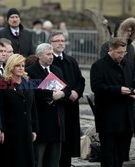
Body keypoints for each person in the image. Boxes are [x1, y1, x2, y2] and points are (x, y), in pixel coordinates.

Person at [90, 37, 135, 167]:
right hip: (108, 118)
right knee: (108, 155)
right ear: (111, 49)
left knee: (121, 155)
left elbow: (133, 82)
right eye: (119, 52)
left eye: (124, 52)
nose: (122, 55)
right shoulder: (98, 66)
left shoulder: (128, 64)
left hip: (126, 117)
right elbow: (96, 87)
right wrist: (118, 90)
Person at [26, 43, 71, 167]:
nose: (52, 57)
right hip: (41, 121)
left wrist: (61, 94)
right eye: (48, 54)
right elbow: (33, 91)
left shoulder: (57, 70)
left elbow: (67, 89)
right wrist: (51, 95)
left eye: (52, 54)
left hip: (57, 122)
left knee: (54, 161)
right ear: (39, 55)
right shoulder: (30, 71)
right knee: (38, 160)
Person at [49, 32, 85, 167]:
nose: (60, 43)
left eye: (63, 41)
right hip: (58, 107)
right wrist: (67, 92)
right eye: (57, 40)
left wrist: (77, 91)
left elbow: (80, 80)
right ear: (51, 43)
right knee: (58, 143)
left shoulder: (71, 61)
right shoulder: (49, 61)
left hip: (72, 107)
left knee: (69, 143)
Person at [0, 54, 38, 167]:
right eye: (17, 65)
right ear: (11, 67)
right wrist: (0, 129)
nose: (21, 68)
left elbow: (33, 108)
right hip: (10, 130)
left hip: (26, 129)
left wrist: (34, 129)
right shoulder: (2, 83)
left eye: (23, 65)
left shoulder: (28, 83)